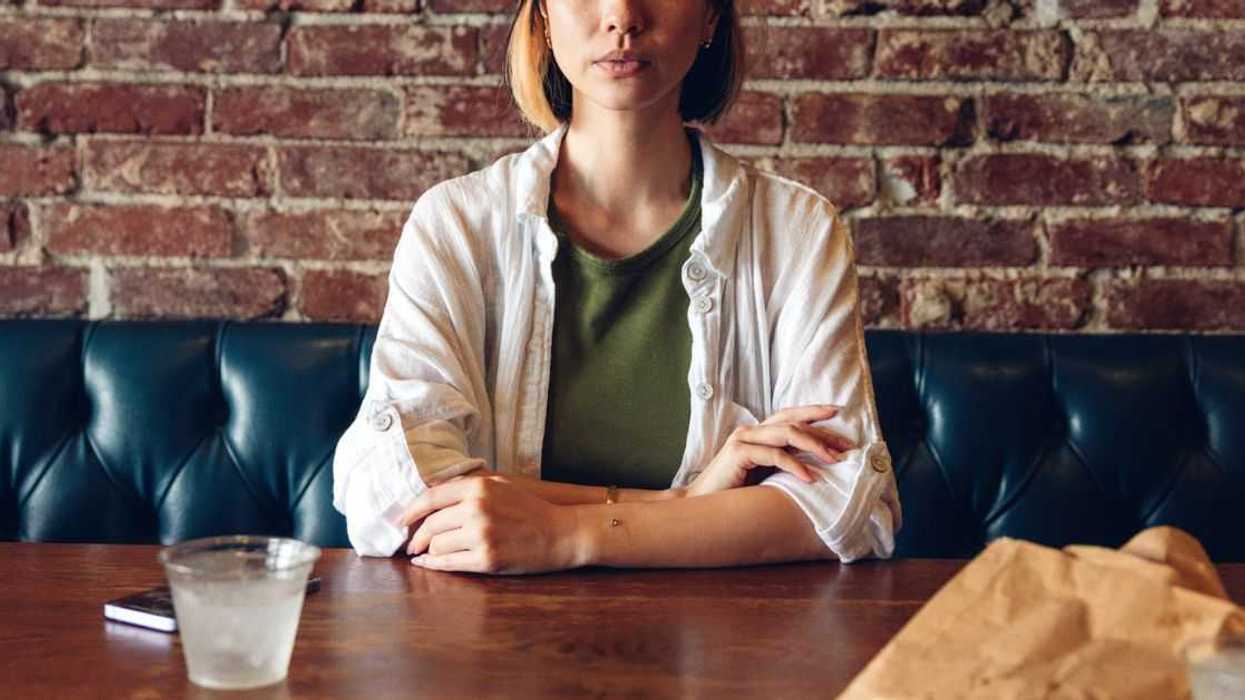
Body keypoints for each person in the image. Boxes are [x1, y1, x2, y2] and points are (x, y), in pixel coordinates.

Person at [331, 0, 901, 574]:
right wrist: (681, 505)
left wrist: (567, 532)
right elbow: (394, 493)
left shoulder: (796, 229)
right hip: (494, 643)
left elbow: (845, 504)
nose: (623, 16)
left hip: (726, 644)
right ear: (544, 18)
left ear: (710, 19)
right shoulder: (457, 223)